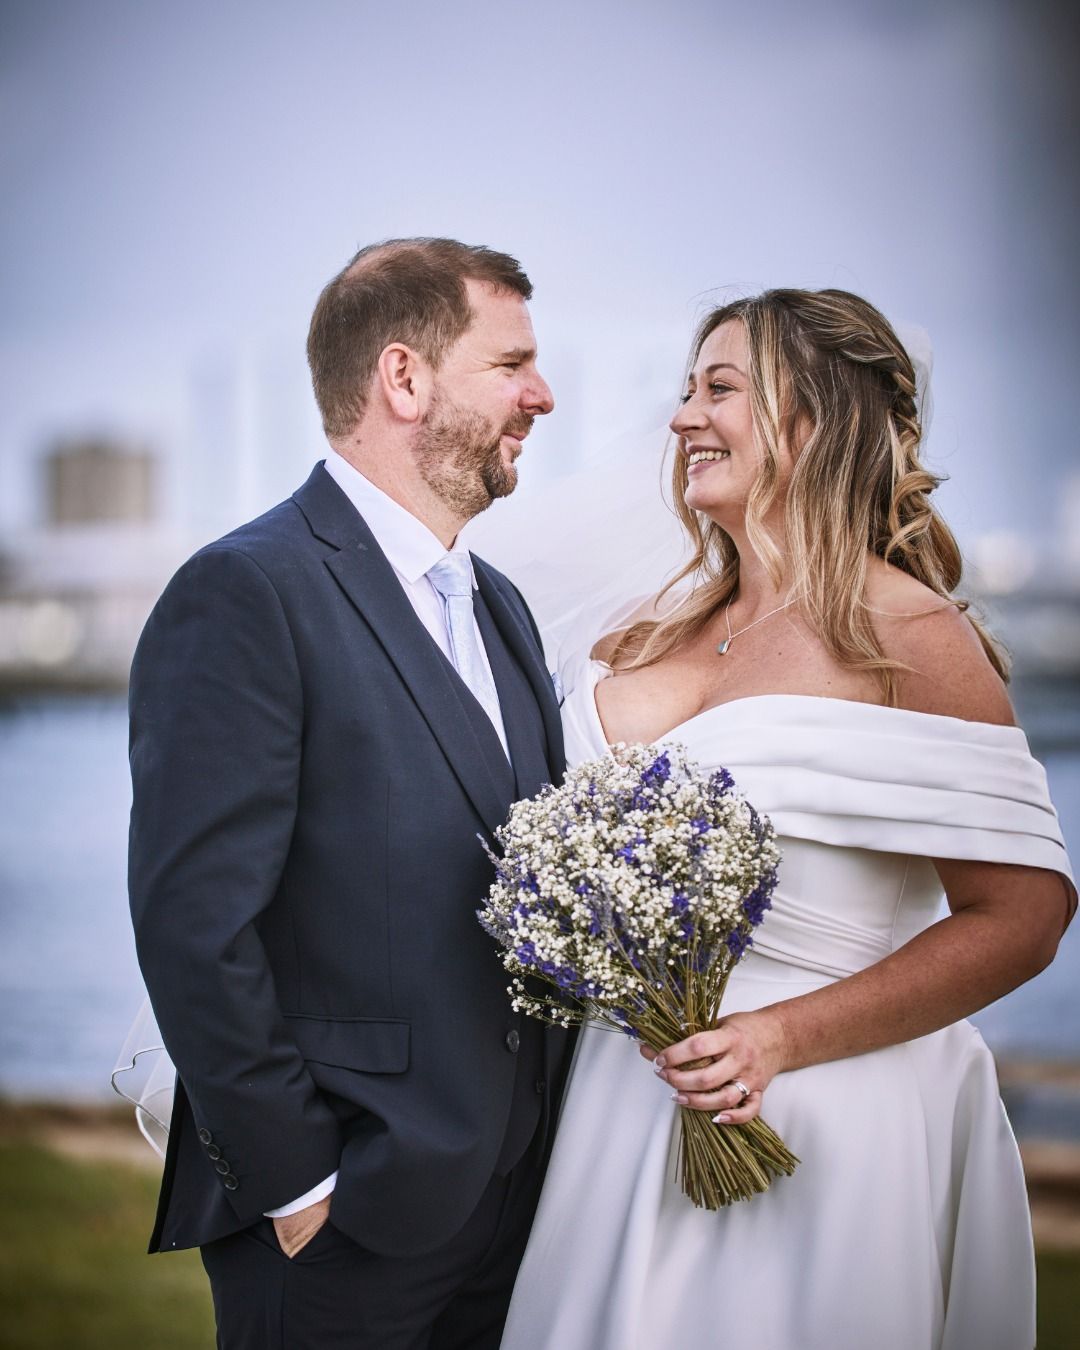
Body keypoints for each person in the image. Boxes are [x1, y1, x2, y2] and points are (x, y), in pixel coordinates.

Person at [499, 288, 1075, 1350]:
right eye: (684, 390)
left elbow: (1024, 915)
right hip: (618, 1112)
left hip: (818, 1114)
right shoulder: (643, 630)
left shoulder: (910, 635)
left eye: (719, 389)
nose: (680, 419)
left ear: (820, 421)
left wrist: (776, 1038)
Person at [126, 237, 573, 1350]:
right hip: (340, 1228)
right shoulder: (246, 591)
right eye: (511, 363)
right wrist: (298, 1192)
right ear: (405, 377)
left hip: (509, 1206)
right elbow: (194, 927)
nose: (543, 395)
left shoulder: (501, 606)